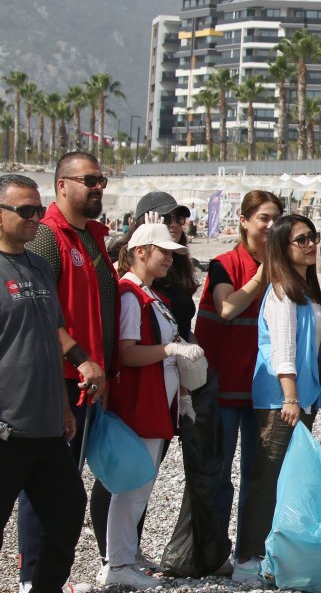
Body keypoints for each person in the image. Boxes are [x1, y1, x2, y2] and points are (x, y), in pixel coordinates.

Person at [21, 151, 116, 585]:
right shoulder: (47, 236)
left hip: (92, 382)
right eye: (89, 180)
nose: (99, 187)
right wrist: (79, 361)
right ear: (62, 185)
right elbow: (41, 312)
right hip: (60, 382)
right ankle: (31, 575)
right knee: (45, 487)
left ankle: (47, 577)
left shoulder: (92, 237)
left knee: (66, 485)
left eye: (102, 180)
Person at [0, 174, 92, 593]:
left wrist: (62, 406)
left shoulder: (38, 266)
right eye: (25, 210)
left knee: (68, 512)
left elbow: (51, 335)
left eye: (38, 209)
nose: (36, 218)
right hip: (7, 427)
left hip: (47, 425)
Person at [103, 223, 204, 589]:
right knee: (131, 488)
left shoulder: (148, 293)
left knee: (140, 487)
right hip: (139, 402)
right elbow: (127, 353)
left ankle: (126, 555)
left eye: (172, 253)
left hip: (156, 400)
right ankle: (117, 563)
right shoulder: (131, 294)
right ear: (141, 251)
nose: (170, 258)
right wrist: (170, 349)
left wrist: (183, 394)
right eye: (163, 251)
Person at [233, 214, 321, 585]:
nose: (310, 244)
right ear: (282, 247)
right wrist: (290, 397)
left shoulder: (306, 288)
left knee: (288, 479)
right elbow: (283, 350)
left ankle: (272, 557)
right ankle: (247, 559)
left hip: (302, 399)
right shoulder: (282, 292)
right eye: (300, 239)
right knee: (268, 478)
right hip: (281, 401)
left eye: (312, 237)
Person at [193, 190, 282, 563]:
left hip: (265, 390)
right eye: (263, 218)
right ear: (244, 221)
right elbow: (227, 307)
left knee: (258, 478)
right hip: (224, 387)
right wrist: (262, 276)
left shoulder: (287, 265)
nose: (271, 226)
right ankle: (211, 553)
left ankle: (250, 553)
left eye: (277, 218)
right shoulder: (224, 264)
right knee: (217, 475)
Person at [132, 192, 198, 340]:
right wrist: (145, 240)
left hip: (179, 349)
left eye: (178, 218)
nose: (174, 224)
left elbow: (184, 325)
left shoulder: (179, 262)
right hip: (149, 351)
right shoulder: (131, 260)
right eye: (166, 218)